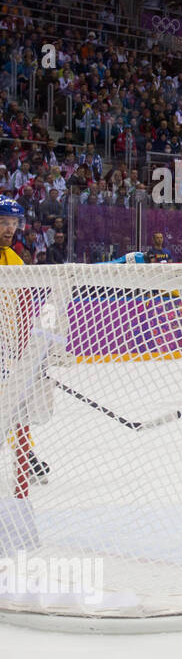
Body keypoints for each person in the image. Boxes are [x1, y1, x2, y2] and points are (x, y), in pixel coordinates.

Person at [0, 196, 50, 492]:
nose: (9, 229)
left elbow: (18, 310)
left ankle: (26, 454)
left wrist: (25, 352)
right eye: (3, 222)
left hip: (4, 347)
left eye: (13, 223)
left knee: (15, 402)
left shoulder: (15, 259)